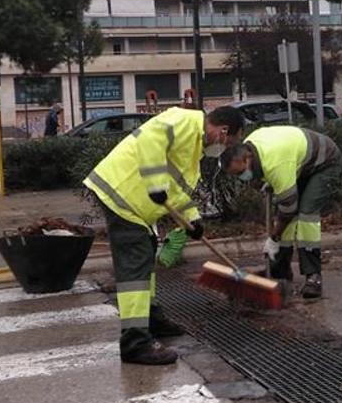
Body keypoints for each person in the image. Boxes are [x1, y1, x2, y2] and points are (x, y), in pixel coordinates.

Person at [84, 105, 245, 365]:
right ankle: (135, 342)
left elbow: (176, 189)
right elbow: (150, 141)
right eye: (229, 141)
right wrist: (155, 184)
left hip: (136, 205)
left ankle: (151, 318)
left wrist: (193, 219)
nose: (224, 147)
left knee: (146, 251)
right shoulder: (184, 121)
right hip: (122, 196)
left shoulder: (193, 144)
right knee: (135, 267)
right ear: (223, 130)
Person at [219, 126, 342, 299]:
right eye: (236, 175)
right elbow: (264, 180)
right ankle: (281, 271)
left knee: (306, 214)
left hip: (324, 161)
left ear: (247, 158)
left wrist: (274, 237)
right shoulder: (250, 149)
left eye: (240, 173)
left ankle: (313, 277)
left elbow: (289, 209)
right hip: (298, 162)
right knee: (284, 215)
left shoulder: (276, 165)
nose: (241, 177)